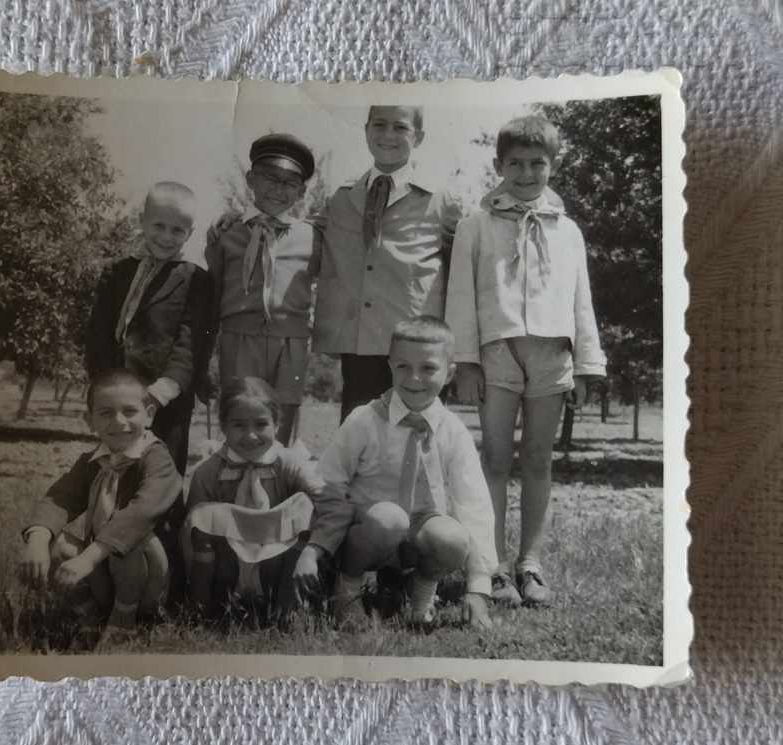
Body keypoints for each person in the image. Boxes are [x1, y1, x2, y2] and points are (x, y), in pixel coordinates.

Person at [445, 115, 607, 607]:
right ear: (499, 165)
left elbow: (581, 298)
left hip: (551, 355)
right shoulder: (476, 225)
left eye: (538, 164)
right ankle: (492, 568)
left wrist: (587, 363)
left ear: (553, 167)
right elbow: (461, 296)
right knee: (494, 459)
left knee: (538, 459)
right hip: (497, 353)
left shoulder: (569, 231)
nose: (526, 173)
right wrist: (465, 361)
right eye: (515, 163)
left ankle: (530, 564)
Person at [293, 317, 497, 630]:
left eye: (428, 368)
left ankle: (421, 590)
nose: (414, 378)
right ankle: (347, 590)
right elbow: (330, 485)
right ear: (390, 366)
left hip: (418, 536)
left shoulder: (453, 431)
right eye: (403, 366)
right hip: (365, 534)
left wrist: (479, 586)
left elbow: (475, 505)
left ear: (450, 373)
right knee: (390, 518)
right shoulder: (364, 420)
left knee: (453, 538)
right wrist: (317, 546)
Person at [312, 106, 463, 423]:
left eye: (400, 127)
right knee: (359, 438)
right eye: (379, 125)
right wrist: (240, 224)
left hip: (416, 348)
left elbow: (465, 265)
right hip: (359, 339)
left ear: (418, 137)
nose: (388, 135)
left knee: (415, 436)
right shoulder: (342, 198)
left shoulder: (441, 199)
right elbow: (306, 236)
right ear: (366, 130)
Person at [18, 369, 182, 642]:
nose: (119, 422)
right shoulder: (92, 461)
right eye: (105, 413)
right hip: (100, 565)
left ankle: (124, 619)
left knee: (129, 542)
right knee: (54, 542)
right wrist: (37, 540)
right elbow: (60, 497)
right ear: (89, 421)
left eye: (130, 411)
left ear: (149, 414)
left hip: (150, 576)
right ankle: (91, 612)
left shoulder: (156, 458)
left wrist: (88, 558)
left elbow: (142, 513)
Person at [86, 180, 213, 476]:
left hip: (165, 401)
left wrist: (163, 390)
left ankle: (164, 523)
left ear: (190, 233)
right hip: (118, 398)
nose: (166, 237)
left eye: (177, 230)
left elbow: (190, 343)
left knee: (161, 477)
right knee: (114, 471)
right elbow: (98, 335)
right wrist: (100, 384)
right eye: (158, 226)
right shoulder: (117, 272)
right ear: (142, 221)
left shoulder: (197, 280)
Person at [205, 134, 321, 446]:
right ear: (251, 179)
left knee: (280, 427)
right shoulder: (226, 233)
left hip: (291, 342)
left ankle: (277, 489)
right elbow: (212, 293)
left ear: (301, 192)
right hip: (239, 338)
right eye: (270, 178)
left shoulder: (313, 237)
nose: (278, 189)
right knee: (240, 418)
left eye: (289, 183)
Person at [181, 376, 326, 624]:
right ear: (223, 426)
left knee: (306, 506)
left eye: (261, 424)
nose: (250, 436)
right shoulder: (208, 471)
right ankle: (201, 610)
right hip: (226, 565)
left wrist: (311, 549)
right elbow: (191, 531)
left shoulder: (288, 462)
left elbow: (326, 500)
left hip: (276, 562)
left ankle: (286, 611)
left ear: (277, 424)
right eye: (238, 425)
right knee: (201, 518)